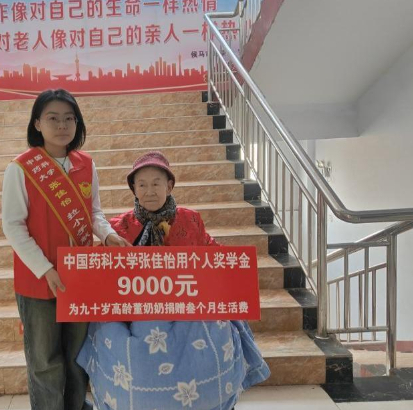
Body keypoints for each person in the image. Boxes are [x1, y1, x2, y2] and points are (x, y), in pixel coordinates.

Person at [76, 151, 270, 410]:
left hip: (188, 307)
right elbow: (103, 270)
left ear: (169, 186)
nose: (149, 191)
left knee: (216, 335)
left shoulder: (190, 219)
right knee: (119, 344)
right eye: (142, 185)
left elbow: (211, 251)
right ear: (134, 189)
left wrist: (235, 267)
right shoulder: (118, 228)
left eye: (156, 183)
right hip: (136, 312)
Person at [2, 89, 130, 410]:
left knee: (77, 356)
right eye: (53, 118)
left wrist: (108, 235)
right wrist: (45, 268)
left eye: (69, 118)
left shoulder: (86, 164)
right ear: (37, 123)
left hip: (79, 276)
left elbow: (94, 213)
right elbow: (13, 226)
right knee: (45, 360)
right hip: (39, 279)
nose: (62, 125)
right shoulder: (21, 168)